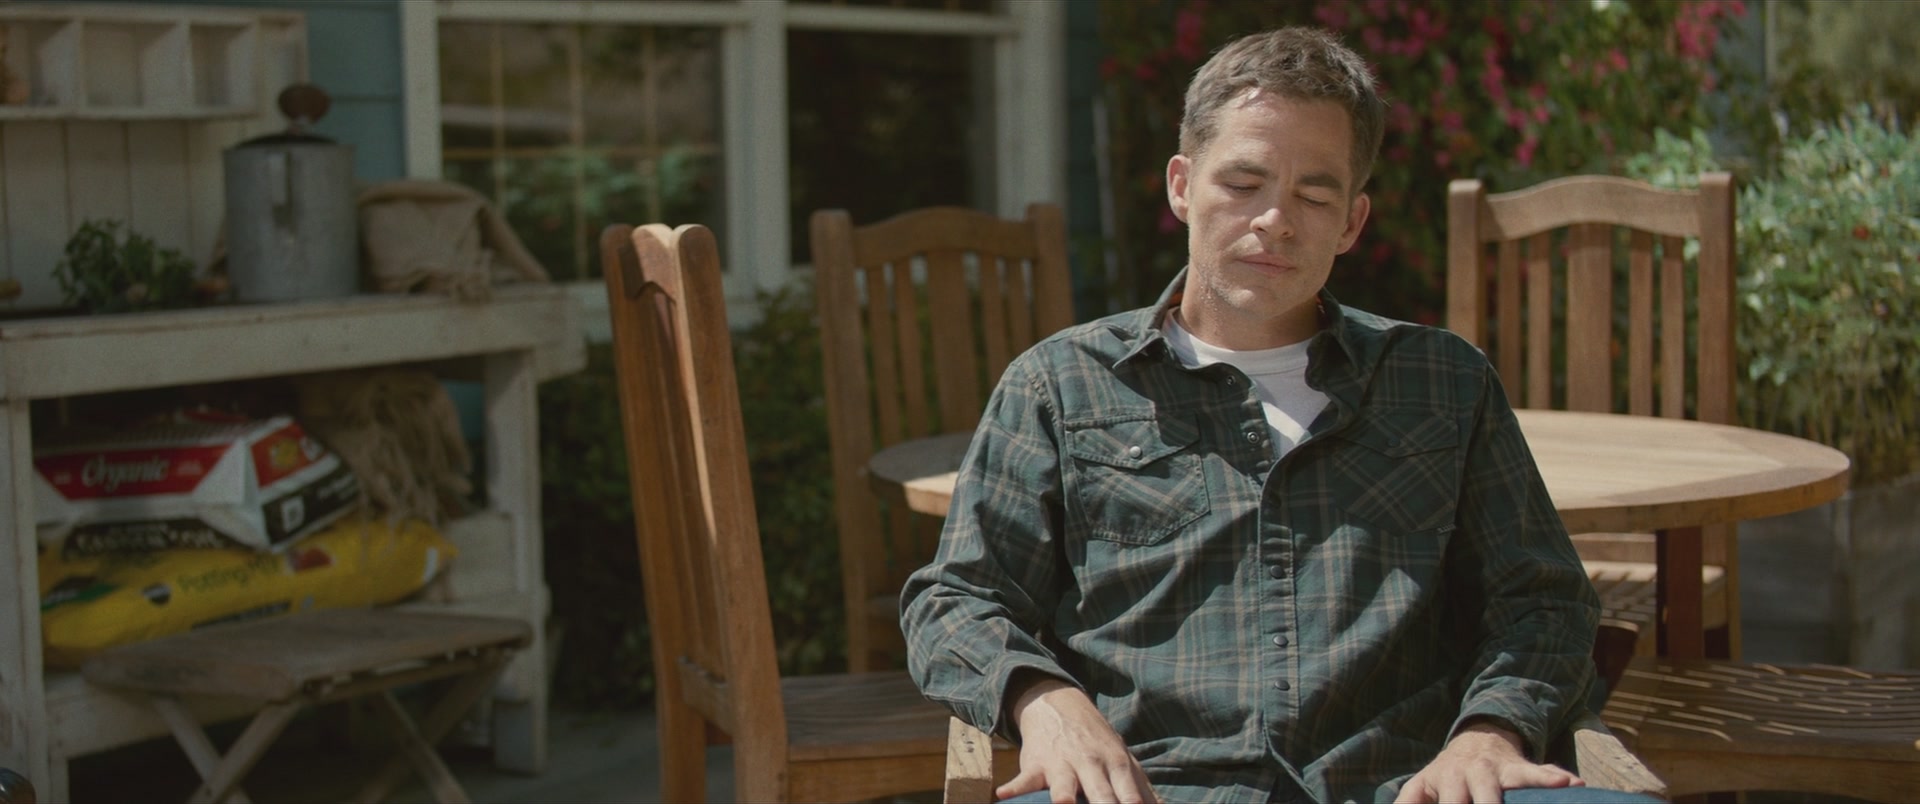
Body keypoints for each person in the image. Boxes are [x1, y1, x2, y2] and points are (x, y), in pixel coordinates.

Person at [900, 26, 1657, 804]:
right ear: (1181, 186)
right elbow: (956, 602)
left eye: (1314, 196)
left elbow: (1544, 601)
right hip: (1150, 789)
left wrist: (1489, 734)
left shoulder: (1442, 383)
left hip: (1407, 788)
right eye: (1243, 183)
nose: (1276, 221)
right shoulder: (1060, 385)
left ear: (1352, 221)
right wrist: (1045, 703)